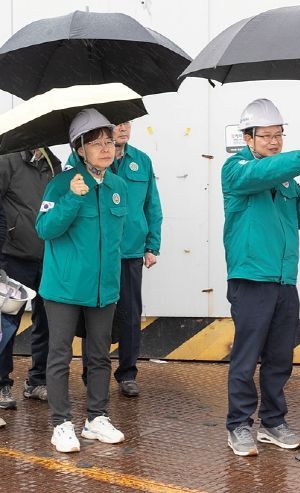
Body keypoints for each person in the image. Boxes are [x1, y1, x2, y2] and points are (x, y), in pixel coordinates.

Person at [223, 98, 300, 457]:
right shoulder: (236, 169)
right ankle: (239, 425)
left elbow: (295, 219)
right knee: (246, 357)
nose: (274, 142)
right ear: (248, 138)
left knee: (279, 357)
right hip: (251, 278)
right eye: (266, 136)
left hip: (284, 279)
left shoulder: (285, 179)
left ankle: (273, 423)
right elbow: (261, 174)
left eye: (279, 135)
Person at [36, 109, 128, 453]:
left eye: (109, 141)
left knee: (100, 355)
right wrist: (72, 199)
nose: (106, 148)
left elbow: (118, 237)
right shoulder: (62, 184)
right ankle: (61, 423)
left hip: (104, 289)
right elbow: (44, 229)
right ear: (79, 149)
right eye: (96, 143)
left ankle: (96, 418)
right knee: (59, 355)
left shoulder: (118, 186)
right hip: (64, 288)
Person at [79, 120, 162, 397]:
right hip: (98, 252)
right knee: (94, 313)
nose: (123, 128)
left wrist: (152, 245)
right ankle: (91, 372)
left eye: (127, 123)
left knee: (129, 315)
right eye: (116, 124)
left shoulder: (142, 161)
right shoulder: (83, 159)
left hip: (130, 251)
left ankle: (127, 373)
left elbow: (152, 205)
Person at [0, 147, 62, 409]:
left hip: (47, 257)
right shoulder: (7, 160)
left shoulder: (53, 163)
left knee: (46, 321)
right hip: (13, 256)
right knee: (6, 323)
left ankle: (37, 381)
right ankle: (1, 383)